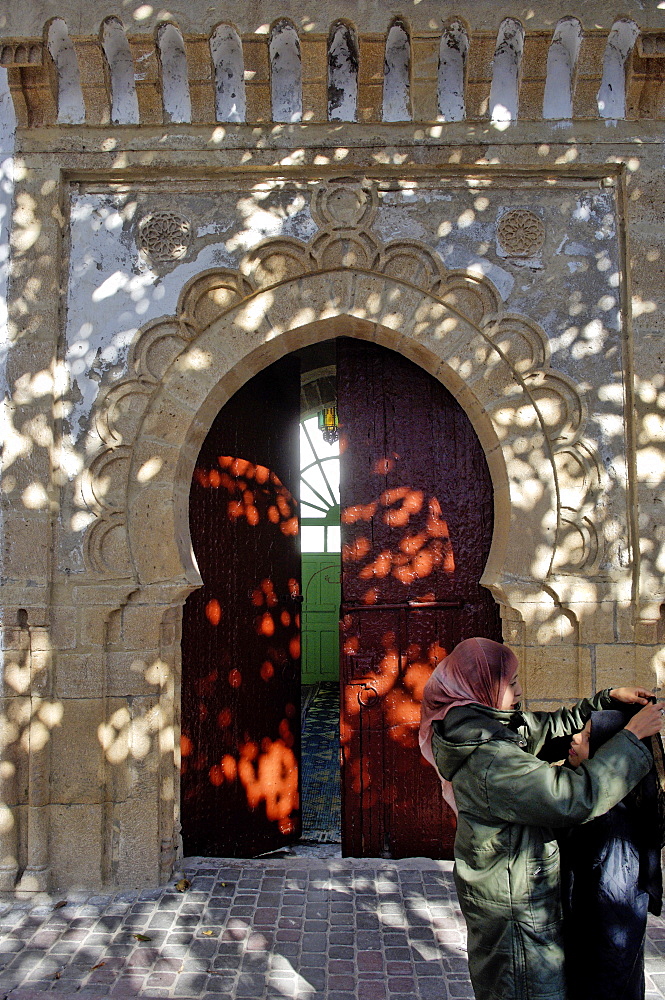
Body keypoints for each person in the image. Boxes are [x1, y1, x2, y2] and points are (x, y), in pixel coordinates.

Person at [419, 636, 663, 1000]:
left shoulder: (473, 722)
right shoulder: (489, 757)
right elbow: (571, 797)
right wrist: (630, 738)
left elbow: (541, 728)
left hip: (510, 892)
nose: (519, 690)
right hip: (515, 910)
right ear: (481, 685)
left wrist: (604, 701)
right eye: (511, 683)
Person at [560, 709, 664, 1000]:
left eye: (588, 737)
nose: (575, 738)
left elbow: (613, 921)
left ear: (609, 752)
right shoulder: (600, 809)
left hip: (601, 968)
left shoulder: (612, 825)